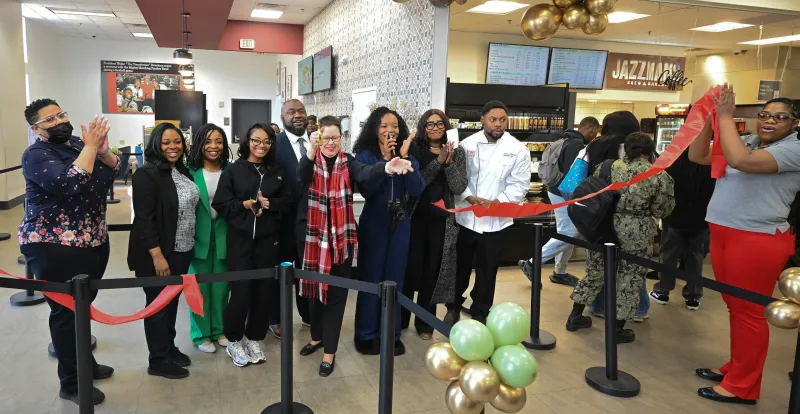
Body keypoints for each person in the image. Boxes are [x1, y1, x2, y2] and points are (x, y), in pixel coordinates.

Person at [689, 87, 800, 405]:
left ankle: (743, 386)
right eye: (765, 115)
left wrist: (724, 115)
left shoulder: (794, 150)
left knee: (749, 312)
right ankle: (737, 368)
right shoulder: (748, 141)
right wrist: (707, 120)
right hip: (724, 231)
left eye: (781, 117)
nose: (770, 121)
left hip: (758, 238)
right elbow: (698, 156)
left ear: (794, 124)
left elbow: (740, 161)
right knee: (735, 307)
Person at [296, 116, 413, 375]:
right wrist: (311, 153)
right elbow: (300, 177)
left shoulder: (348, 161)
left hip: (341, 240)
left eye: (335, 138)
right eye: (326, 138)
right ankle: (316, 337)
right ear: (318, 138)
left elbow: (365, 172)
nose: (331, 143)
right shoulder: (310, 160)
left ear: (341, 139)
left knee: (336, 296)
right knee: (314, 294)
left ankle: (329, 352)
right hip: (313, 239)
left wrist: (385, 167)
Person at [21, 99, 119, 406]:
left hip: (91, 240)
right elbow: (70, 183)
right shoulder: (36, 154)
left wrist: (103, 152)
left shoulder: (79, 143)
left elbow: (111, 174)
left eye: (61, 114)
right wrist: (91, 149)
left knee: (82, 306)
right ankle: (71, 382)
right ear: (37, 129)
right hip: (53, 246)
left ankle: (85, 365)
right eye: (50, 119)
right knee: (65, 314)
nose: (59, 120)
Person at [568, 133, 674, 343]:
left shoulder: (608, 167)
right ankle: (617, 329)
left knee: (595, 272)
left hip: (603, 226)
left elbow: (595, 192)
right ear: (650, 151)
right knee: (630, 278)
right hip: (637, 231)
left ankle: (575, 316)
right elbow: (663, 210)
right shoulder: (659, 175)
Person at [213, 122, 292, 368]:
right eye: (256, 140)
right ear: (247, 141)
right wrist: (245, 205)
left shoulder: (277, 171)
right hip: (240, 242)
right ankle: (235, 341)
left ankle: (254, 338)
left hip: (269, 242)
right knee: (240, 293)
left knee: (263, 293)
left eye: (266, 141)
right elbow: (221, 204)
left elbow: (288, 202)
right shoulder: (234, 170)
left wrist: (272, 205)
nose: (261, 145)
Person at [444, 101, 529, 326]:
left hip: (496, 221)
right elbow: (458, 177)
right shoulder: (466, 144)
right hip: (466, 218)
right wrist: (470, 197)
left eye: (502, 120)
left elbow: (519, 184)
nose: (498, 124)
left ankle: (480, 310)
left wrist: (497, 203)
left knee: (488, 269)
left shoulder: (518, 148)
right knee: (460, 268)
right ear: (483, 120)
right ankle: (452, 307)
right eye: (493, 119)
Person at [128, 122, 198, 380]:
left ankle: (168, 348)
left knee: (171, 304)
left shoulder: (180, 171)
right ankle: (157, 359)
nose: (172, 147)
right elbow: (144, 219)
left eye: (177, 142)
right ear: (156, 144)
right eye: (166, 142)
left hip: (182, 250)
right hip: (158, 254)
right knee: (157, 306)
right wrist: (157, 255)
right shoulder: (147, 174)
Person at [353, 107, 425, 355]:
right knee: (371, 277)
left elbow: (417, 190)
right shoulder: (364, 155)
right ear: (374, 129)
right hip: (375, 222)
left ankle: (391, 334)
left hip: (400, 223)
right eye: (384, 126)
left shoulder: (409, 155)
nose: (390, 130)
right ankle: (365, 333)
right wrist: (385, 162)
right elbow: (367, 191)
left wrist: (404, 158)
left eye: (394, 126)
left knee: (395, 278)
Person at [401, 109, 467, 339]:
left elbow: (459, 187)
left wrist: (448, 164)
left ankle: (425, 323)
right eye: (430, 124)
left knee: (433, 270)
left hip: (442, 221)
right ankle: (400, 319)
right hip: (415, 217)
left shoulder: (457, 151)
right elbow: (417, 182)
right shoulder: (414, 150)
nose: (436, 128)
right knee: (410, 270)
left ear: (446, 126)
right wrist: (438, 162)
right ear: (423, 127)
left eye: (440, 124)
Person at [518, 116, 600, 287]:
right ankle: (532, 263)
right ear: (592, 129)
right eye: (596, 132)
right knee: (570, 233)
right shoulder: (577, 145)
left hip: (555, 190)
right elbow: (573, 175)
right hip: (565, 193)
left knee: (567, 232)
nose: (595, 135)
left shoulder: (562, 140)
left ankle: (560, 272)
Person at [649, 150, 715, 310]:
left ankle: (663, 290)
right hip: (702, 217)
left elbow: (664, 187)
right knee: (696, 257)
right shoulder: (712, 160)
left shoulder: (674, 159)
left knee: (669, 254)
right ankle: (693, 296)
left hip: (675, 216)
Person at [186, 124, 231, 353]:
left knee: (222, 287)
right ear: (199, 144)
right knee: (199, 288)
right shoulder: (188, 171)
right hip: (197, 238)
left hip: (224, 237)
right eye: (208, 141)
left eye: (219, 142)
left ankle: (219, 330)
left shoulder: (230, 170)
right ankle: (201, 334)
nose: (214, 147)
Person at [276, 99, 313, 329]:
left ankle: (309, 316)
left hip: (312, 222)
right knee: (282, 273)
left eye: (301, 110)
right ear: (283, 118)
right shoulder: (274, 145)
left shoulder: (317, 142)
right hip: (283, 222)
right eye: (291, 112)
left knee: (306, 271)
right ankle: (276, 318)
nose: (297, 115)